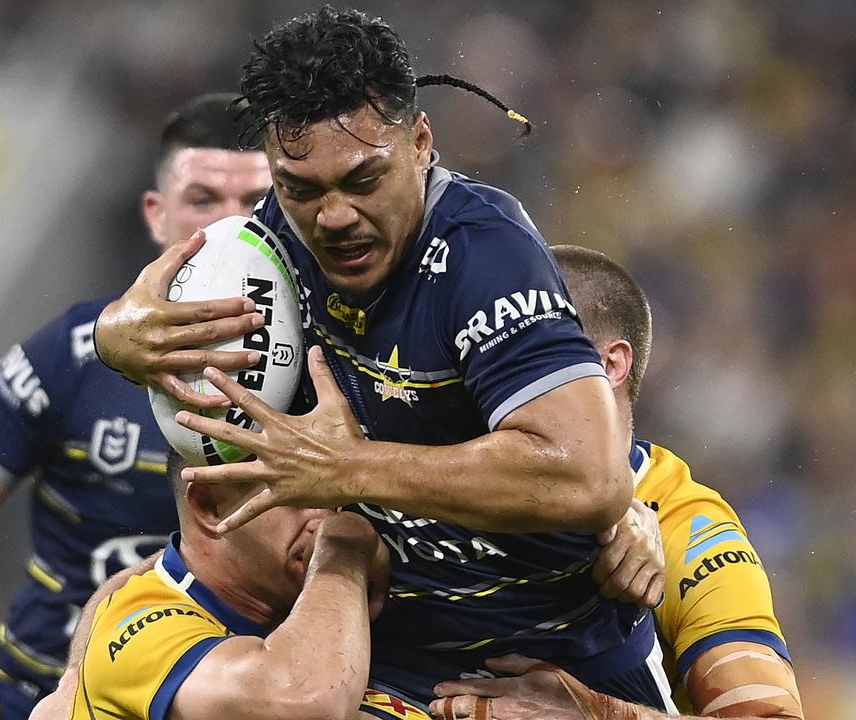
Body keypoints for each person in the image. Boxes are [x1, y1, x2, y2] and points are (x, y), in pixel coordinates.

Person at [93, 6, 670, 710]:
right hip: (395, 654)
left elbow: (590, 479)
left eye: (363, 181)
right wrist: (115, 334)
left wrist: (352, 467)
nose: (332, 217)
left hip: (555, 667)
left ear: (422, 143)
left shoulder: (482, 255)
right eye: (301, 189)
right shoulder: (270, 244)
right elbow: (154, 329)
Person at [0, 93, 273, 720]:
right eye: (202, 200)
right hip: (36, 693)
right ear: (155, 213)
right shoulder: (71, 353)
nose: (227, 225)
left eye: (254, 204)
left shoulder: (331, 366)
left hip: (209, 697)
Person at [429, 247, 804, 720]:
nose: (498, 377)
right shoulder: (440, 479)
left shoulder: (686, 527)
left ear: (610, 366)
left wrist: (598, 715)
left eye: (533, 356)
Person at [32, 450, 423, 720]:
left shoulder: (298, 600)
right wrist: (344, 546)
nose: (328, 514)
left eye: (333, 491)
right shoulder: (144, 626)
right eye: (297, 492)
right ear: (210, 507)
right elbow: (306, 701)